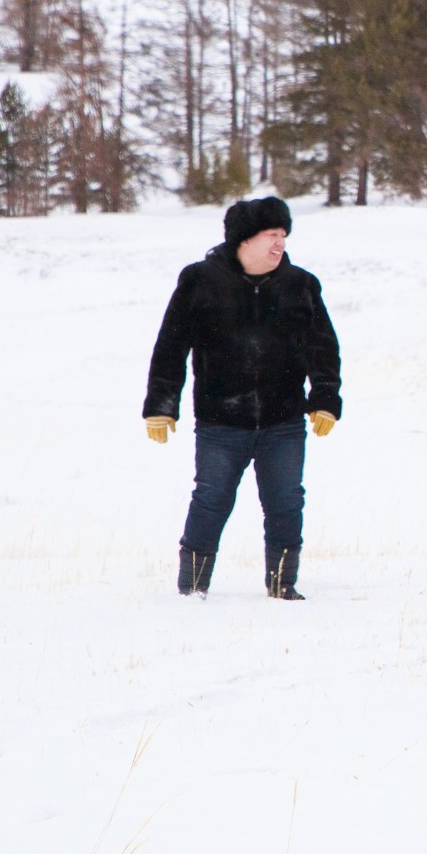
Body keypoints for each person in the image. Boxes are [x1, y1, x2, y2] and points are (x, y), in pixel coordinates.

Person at [143, 197, 342, 600]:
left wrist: (325, 398)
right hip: (221, 422)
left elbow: (323, 349)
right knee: (211, 500)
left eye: (284, 236)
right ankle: (193, 588)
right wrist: (162, 406)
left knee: (286, 501)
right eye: (272, 235)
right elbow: (170, 347)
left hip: (282, 422)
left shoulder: (301, 285)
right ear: (245, 239)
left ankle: (283, 586)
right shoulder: (200, 281)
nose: (280, 244)